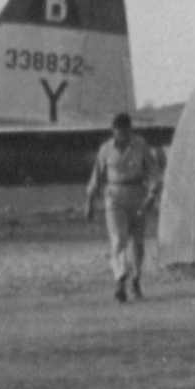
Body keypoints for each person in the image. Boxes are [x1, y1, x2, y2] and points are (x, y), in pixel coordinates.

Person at [84, 112, 162, 301]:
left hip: (137, 194)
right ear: (114, 131)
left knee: (137, 242)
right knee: (118, 239)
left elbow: (153, 172)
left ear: (130, 130)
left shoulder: (141, 146)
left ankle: (136, 279)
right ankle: (120, 281)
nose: (123, 137)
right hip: (114, 196)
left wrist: (152, 195)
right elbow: (97, 176)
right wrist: (89, 202)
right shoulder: (106, 149)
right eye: (119, 133)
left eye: (126, 132)